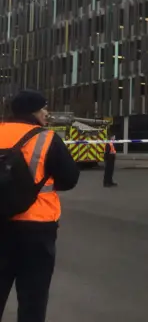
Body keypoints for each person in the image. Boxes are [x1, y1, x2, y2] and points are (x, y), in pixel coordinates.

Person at [0, 89, 80, 322]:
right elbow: (69, 178)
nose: (46, 113)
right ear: (33, 111)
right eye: (43, 108)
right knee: (33, 298)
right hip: (36, 228)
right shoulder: (46, 138)